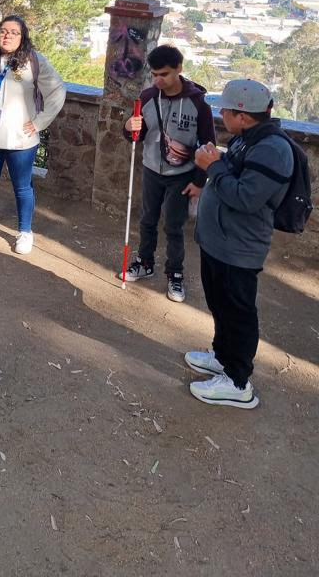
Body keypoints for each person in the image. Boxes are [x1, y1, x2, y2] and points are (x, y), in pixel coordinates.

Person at [185, 79, 293, 409]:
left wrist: (212, 166)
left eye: (225, 111)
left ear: (243, 116)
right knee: (221, 305)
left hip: (239, 248)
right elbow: (232, 175)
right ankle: (222, 356)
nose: (221, 115)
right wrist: (216, 161)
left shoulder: (273, 150)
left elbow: (246, 198)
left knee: (238, 313)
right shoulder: (247, 139)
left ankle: (237, 381)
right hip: (221, 242)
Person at [0, 14, 66, 255]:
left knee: (22, 186)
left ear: (23, 37)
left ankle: (25, 232)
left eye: (13, 32)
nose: (7, 36)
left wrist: (39, 123)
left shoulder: (33, 61)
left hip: (21, 139)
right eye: (3, 31)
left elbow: (57, 91)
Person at [122, 44, 215, 303]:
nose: (158, 80)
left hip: (182, 175)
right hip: (152, 169)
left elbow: (208, 145)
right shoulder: (149, 97)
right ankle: (145, 261)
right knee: (147, 220)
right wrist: (129, 127)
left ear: (179, 70)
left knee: (173, 225)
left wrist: (199, 182)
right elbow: (134, 135)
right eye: (154, 74)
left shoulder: (199, 104)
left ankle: (175, 274)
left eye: (164, 74)